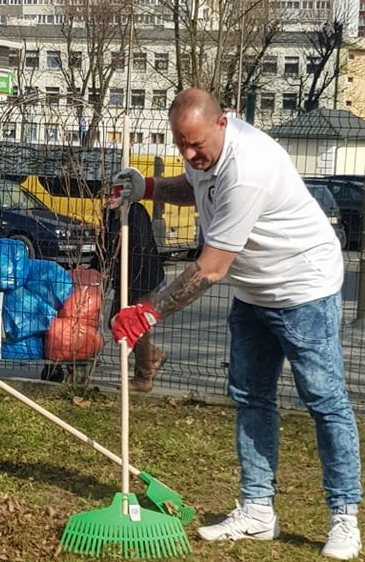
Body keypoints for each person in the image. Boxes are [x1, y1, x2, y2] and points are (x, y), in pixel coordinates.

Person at [110, 88, 361, 560]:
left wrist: (149, 311)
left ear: (223, 122)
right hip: (254, 291)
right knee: (250, 396)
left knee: (324, 400)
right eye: (180, 144)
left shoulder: (249, 168)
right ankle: (258, 510)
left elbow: (209, 269)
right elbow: (194, 185)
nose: (188, 154)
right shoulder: (204, 152)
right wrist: (147, 186)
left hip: (304, 287)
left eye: (195, 144)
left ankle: (344, 517)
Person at [90, 189, 166, 392]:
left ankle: (144, 377)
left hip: (143, 279)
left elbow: (141, 250)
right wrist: (93, 270)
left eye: (114, 195)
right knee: (114, 321)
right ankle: (154, 355)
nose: (110, 199)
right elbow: (103, 245)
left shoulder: (136, 213)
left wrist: (132, 289)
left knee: (135, 328)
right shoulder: (109, 215)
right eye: (107, 195)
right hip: (123, 281)